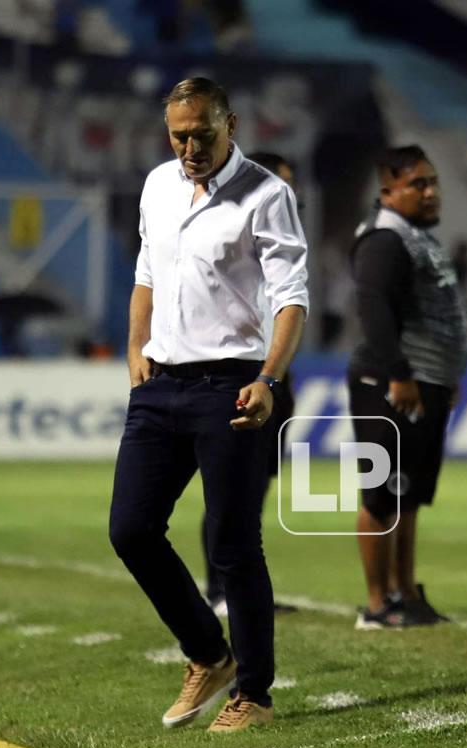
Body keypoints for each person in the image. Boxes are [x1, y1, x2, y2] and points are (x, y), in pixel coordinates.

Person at [108, 77, 308, 733]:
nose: (189, 146)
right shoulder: (157, 184)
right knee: (130, 530)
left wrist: (270, 380)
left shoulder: (268, 195)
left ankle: (254, 693)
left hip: (232, 384)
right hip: (160, 385)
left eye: (201, 133)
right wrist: (137, 346)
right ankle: (207, 653)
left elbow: (290, 298)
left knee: (231, 543)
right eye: (178, 135)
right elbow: (146, 272)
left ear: (232, 124)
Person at [348, 145, 467, 630]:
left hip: (426, 380)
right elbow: (373, 309)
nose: (430, 191)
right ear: (387, 191)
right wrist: (399, 373)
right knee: (382, 495)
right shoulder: (384, 239)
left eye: (433, 181)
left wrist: (445, 376)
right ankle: (378, 604)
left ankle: (404, 592)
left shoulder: (416, 237)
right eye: (417, 184)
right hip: (392, 381)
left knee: (409, 495)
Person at [201, 150, 300, 617]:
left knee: (255, 486)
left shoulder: (284, 237)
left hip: (276, 369)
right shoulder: (231, 239)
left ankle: (239, 587)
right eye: (279, 184)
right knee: (228, 486)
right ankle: (217, 586)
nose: (287, 195)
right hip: (241, 370)